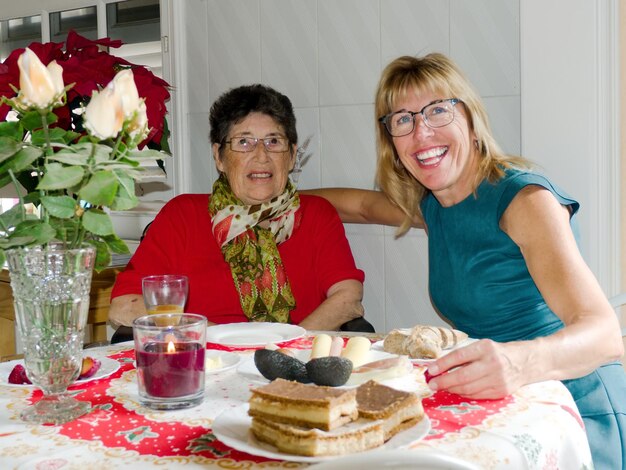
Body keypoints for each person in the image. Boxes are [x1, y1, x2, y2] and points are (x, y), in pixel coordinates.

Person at [308, 53, 625, 469]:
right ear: (393, 144)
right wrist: (273, 199)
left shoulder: (525, 200)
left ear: (472, 120)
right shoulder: (437, 206)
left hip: (576, 410)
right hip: (504, 403)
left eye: (438, 110)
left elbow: (604, 336)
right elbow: (363, 206)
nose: (422, 132)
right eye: (402, 120)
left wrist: (516, 361)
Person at [109, 84, 367, 332]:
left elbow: (348, 298)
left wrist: (288, 347)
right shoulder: (182, 215)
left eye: (274, 141)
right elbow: (123, 306)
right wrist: (213, 339)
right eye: (244, 142)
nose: (261, 156)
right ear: (219, 157)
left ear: (291, 155)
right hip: (206, 363)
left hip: (295, 364)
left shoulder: (316, 214)